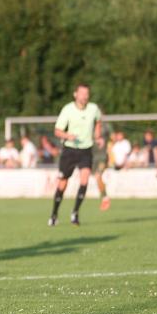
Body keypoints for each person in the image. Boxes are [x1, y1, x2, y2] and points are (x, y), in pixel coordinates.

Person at [48, 83, 102, 226]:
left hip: (86, 150)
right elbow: (57, 131)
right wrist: (67, 136)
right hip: (70, 150)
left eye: (87, 94)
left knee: (85, 179)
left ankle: (75, 213)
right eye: (82, 93)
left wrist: (98, 137)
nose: (84, 96)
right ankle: (54, 214)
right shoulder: (67, 109)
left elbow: (98, 121)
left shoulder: (93, 109)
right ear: (75, 94)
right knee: (63, 183)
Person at [92, 134, 111, 211]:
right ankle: (104, 197)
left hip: (103, 159)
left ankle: (105, 198)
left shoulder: (105, 128)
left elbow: (112, 138)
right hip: (93, 159)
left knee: (98, 176)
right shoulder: (88, 129)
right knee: (97, 179)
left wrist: (110, 156)